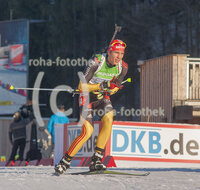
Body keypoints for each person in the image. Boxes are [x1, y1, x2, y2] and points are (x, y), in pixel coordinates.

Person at [55, 39, 128, 174]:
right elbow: (80, 86)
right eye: (116, 53)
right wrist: (102, 86)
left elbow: (115, 87)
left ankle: (96, 160)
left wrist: (112, 89)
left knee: (109, 119)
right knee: (87, 132)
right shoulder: (96, 61)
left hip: (101, 98)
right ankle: (65, 162)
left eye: (121, 53)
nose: (119, 57)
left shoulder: (123, 67)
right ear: (109, 51)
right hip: (87, 97)